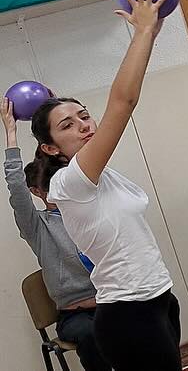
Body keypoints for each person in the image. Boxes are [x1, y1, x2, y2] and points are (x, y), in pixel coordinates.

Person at [33, 0, 180, 370]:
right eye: (67, 125)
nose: (83, 124)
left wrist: (149, 36)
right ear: (51, 148)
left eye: (84, 115)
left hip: (159, 297)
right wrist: (143, 32)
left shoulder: (102, 176)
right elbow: (123, 101)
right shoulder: (69, 183)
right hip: (128, 316)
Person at [4, 98, 109, 371]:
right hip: (76, 315)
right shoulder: (38, 226)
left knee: (151, 313)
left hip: (112, 299)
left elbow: (80, 154)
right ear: (36, 191)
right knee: (91, 333)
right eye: (48, 185)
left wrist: (54, 106)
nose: (56, 188)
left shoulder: (84, 208)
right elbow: (16, 189)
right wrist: (11, 133)